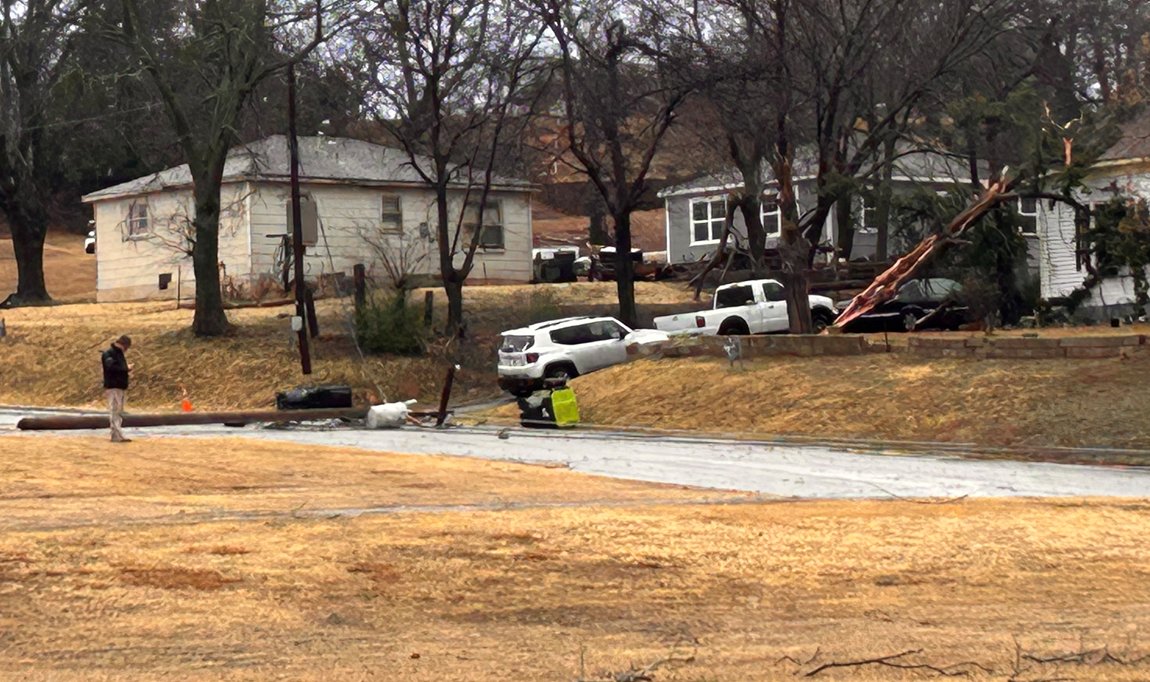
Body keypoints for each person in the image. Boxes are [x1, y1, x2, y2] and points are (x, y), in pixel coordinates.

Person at [101, 335, 133, 443]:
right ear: (124, 345)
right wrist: (126, 369)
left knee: (118, 411)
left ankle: (118, 433)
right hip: (113, 385)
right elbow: (111, 368)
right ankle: (115, 434)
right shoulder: (109, 354)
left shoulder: (117, 354)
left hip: (119, 385)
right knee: (115, 410)